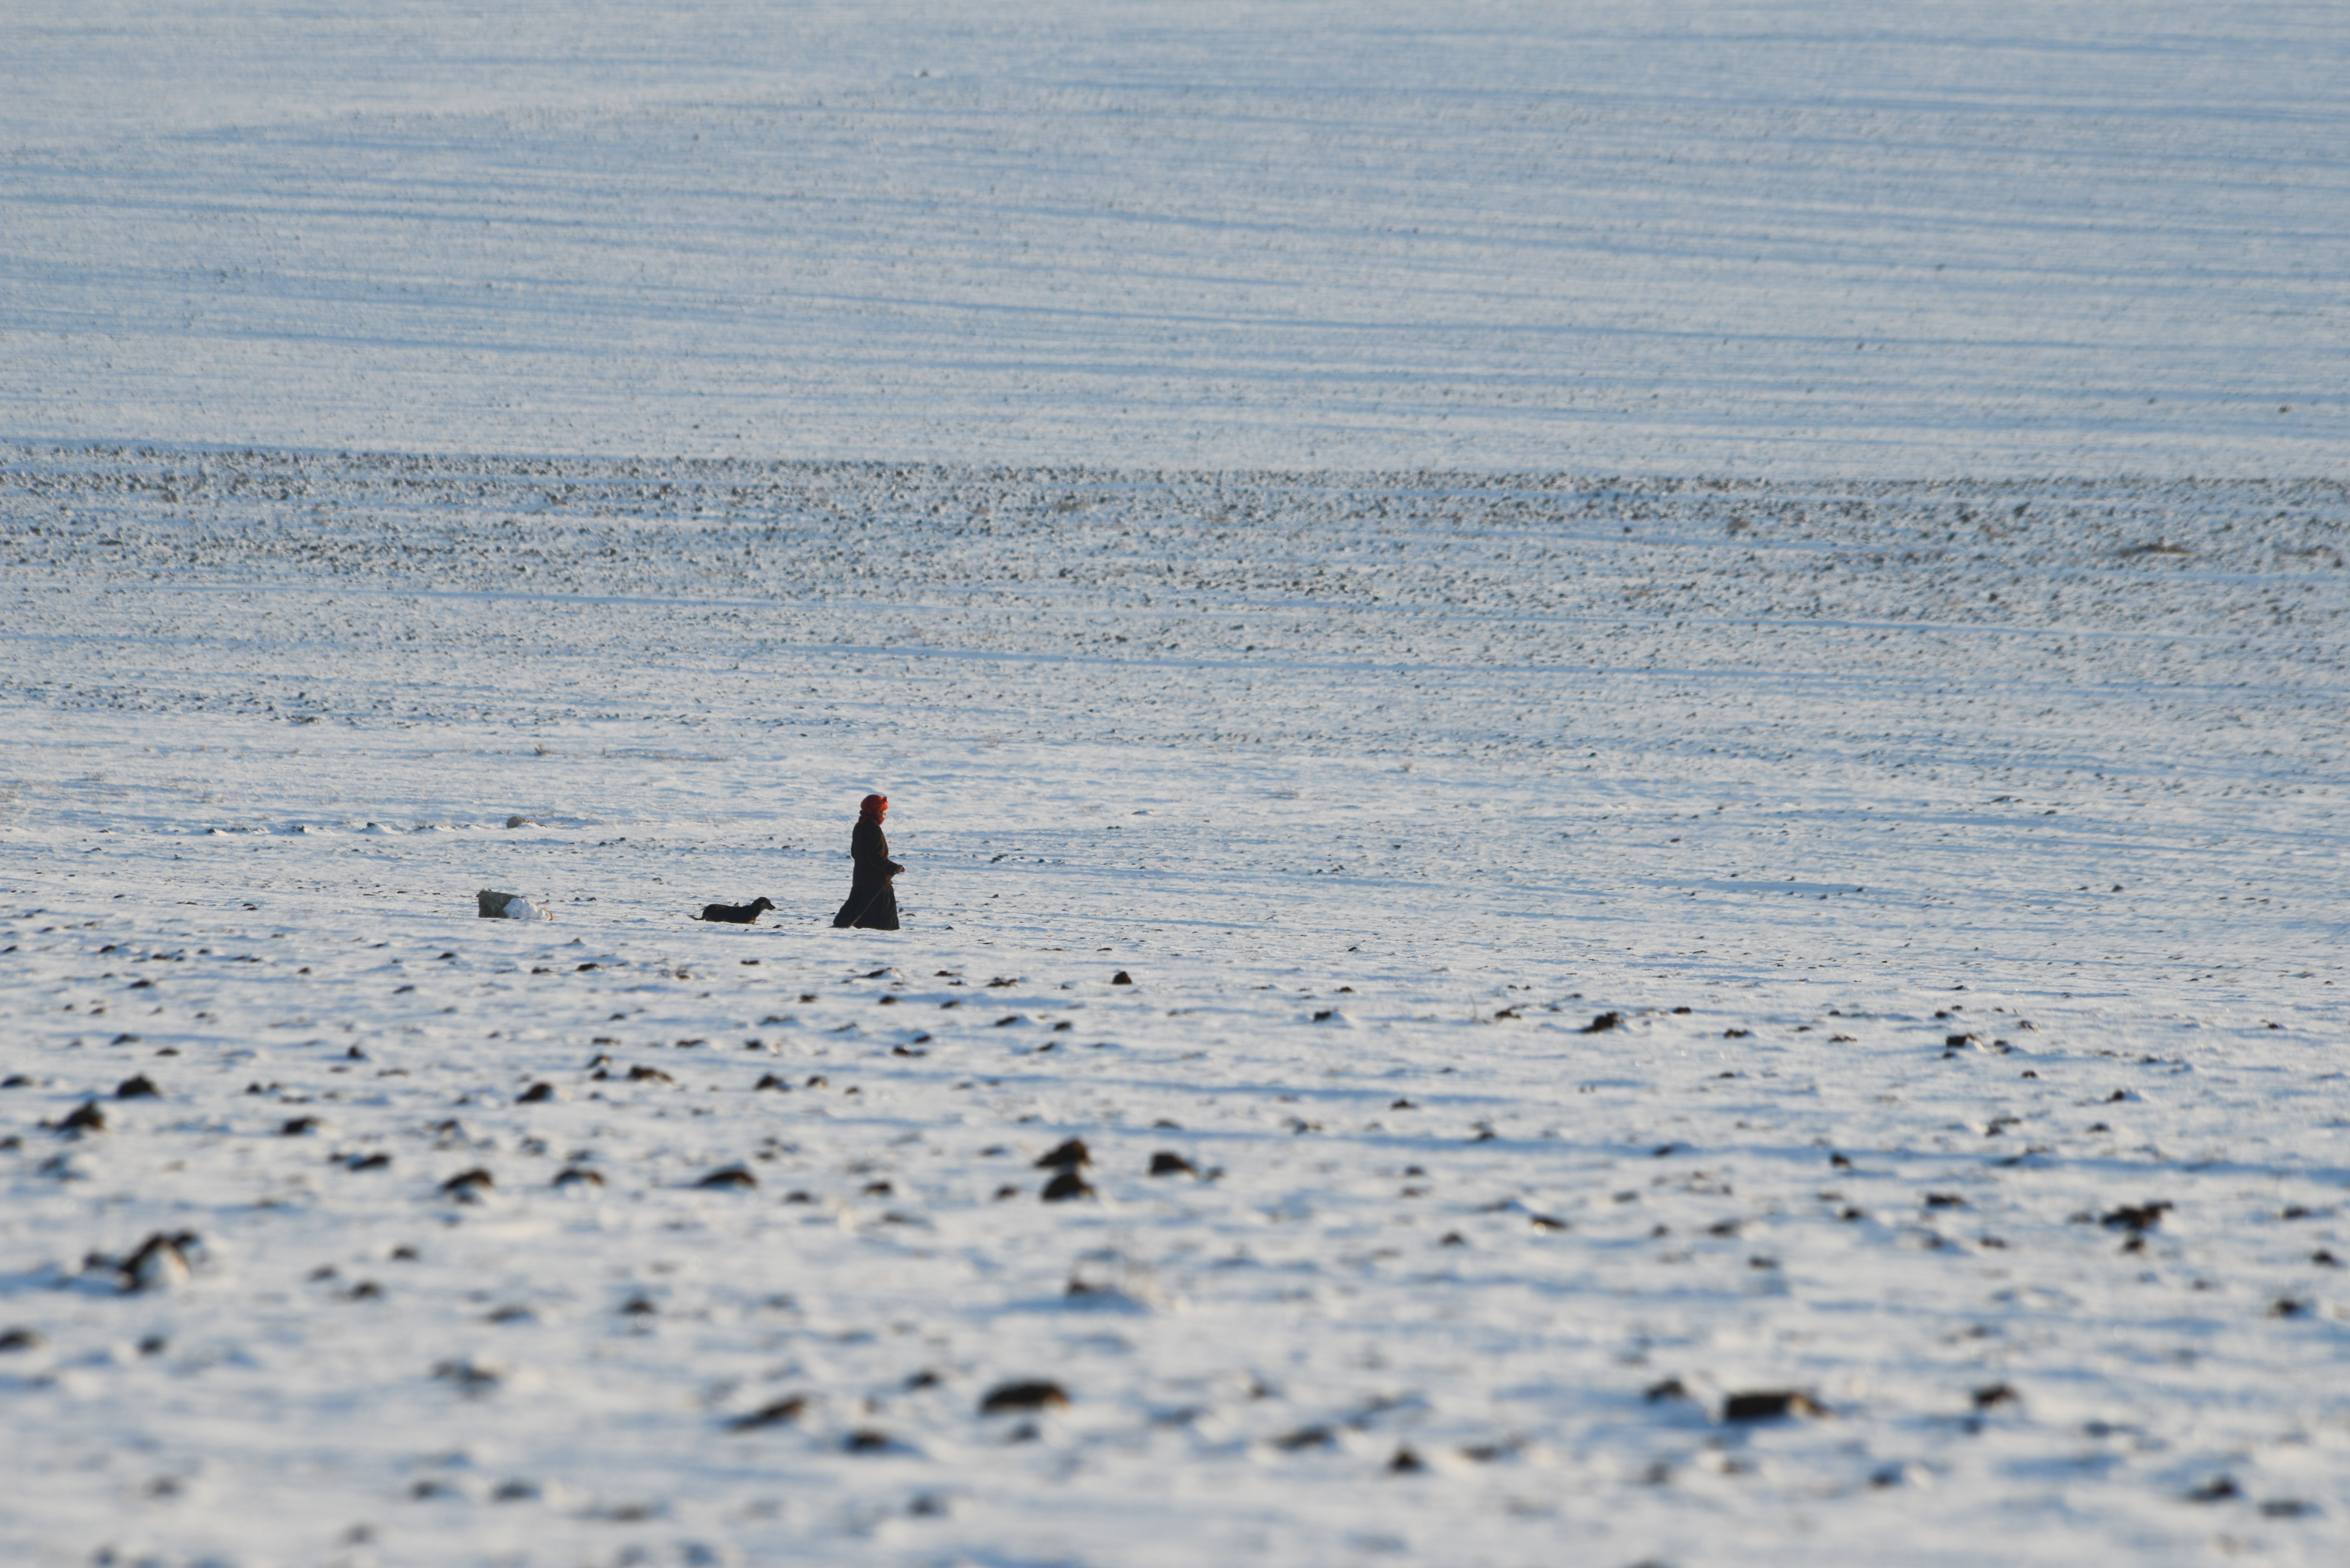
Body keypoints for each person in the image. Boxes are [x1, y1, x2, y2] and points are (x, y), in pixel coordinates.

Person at [831, 793, 904, 930]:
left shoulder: (860, 826)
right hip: (877, 881)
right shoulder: (873, 828)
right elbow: (876, 857)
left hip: (861, 877)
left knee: (854, 909)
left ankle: (841, 930)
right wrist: (894, 868)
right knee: (886, 920)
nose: (885, 814)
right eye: (884, 811)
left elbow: (855, 853)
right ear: (876, 811)